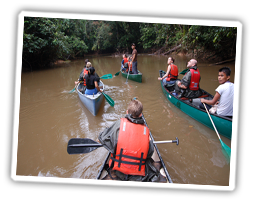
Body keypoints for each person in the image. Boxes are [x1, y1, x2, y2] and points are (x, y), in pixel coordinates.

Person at [98, 98, 161, 182]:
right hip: (138, 173)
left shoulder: (118, 124)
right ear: (140, 115)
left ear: (127, 112)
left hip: (119, 172)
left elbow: (102, 138)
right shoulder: (146, 131)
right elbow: (149, 154)